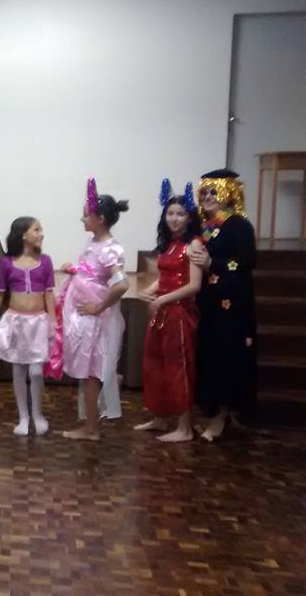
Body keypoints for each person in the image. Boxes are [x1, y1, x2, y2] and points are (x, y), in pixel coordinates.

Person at [187, 169, 257, 441]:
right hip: (208, 301)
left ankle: (223, 415)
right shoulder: (205, 226)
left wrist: (212, 263)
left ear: (228, 194)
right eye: (204, 192)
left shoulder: (238, 225)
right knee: (209, 354)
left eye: (213, 192)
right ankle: (213, 411)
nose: (207, 197)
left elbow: (247, 262)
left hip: (232, 304)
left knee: (226, 355)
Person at [60, 179, 130, 441]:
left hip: (94, 319)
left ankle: (91, 429)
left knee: (90, 373)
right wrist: (75, 270)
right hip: (86, 317)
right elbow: (93, 271)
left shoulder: (111, 249)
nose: (82, 219)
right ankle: (90, 424)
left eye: (85, 216)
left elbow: (122, 284)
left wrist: (99, 306)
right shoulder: (94, 242)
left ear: (100, 219)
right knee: (87, 372)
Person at [136, 180, 203, 442]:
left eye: (180, 214)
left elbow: (194, 286)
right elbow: (165, 277)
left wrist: (162, 299)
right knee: (156, 365)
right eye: (170, 213)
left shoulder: (194, 244)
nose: (174, 218)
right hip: (162, 312)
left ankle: (184, 428)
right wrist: (150, 290)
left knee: (179, 368)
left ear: (189, 218)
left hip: (179, 314)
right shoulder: (169, 244)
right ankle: (160, 417)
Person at [0, 217, 56, 436]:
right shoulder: (7, 263)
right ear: (23, 235)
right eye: (37, 229)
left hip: (37, 323)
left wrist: (53, 320)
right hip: (16, 322)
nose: (41, 233)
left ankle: (38, 413)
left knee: (36, 371)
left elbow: (48, 293)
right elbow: (0, 293)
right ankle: (23, 417)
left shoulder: (45, 261)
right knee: (18, 370)